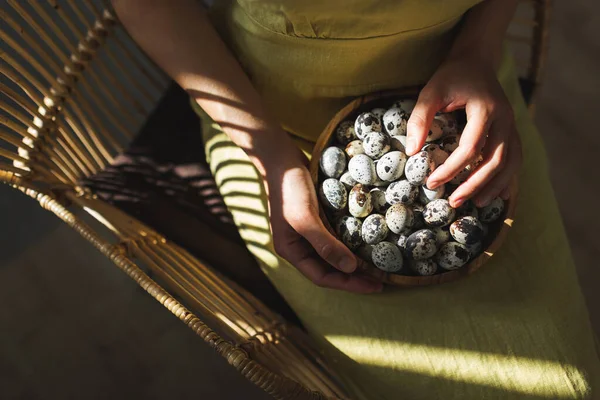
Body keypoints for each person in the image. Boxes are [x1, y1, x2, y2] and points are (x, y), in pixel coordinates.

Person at [114, 0, 600, 398]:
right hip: (274, 122)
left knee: (568, 384)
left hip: (460, 94)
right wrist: (274, 159)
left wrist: (478, 49)